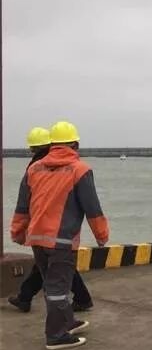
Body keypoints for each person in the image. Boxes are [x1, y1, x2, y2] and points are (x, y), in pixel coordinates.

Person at [11, 121, 109, 350]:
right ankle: (56, 336)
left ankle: (67, 322)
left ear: (52, 144)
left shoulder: (34, 169)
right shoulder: (80, 170)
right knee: (58, 290)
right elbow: (92, 207)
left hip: (37, 239)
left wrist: (17, 232)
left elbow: (22, 205)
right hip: (61, 241)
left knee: (54, 286)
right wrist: (101, 235)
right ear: (75, 144)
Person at [8, 128, 94, 314]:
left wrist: (19, 229)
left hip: (43, 225)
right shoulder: (62, 165)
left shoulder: (37, 166)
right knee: (57, 266)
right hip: (57, 228)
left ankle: (28, 298)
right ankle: (80, 299)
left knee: (51, 267)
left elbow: (26, 201)